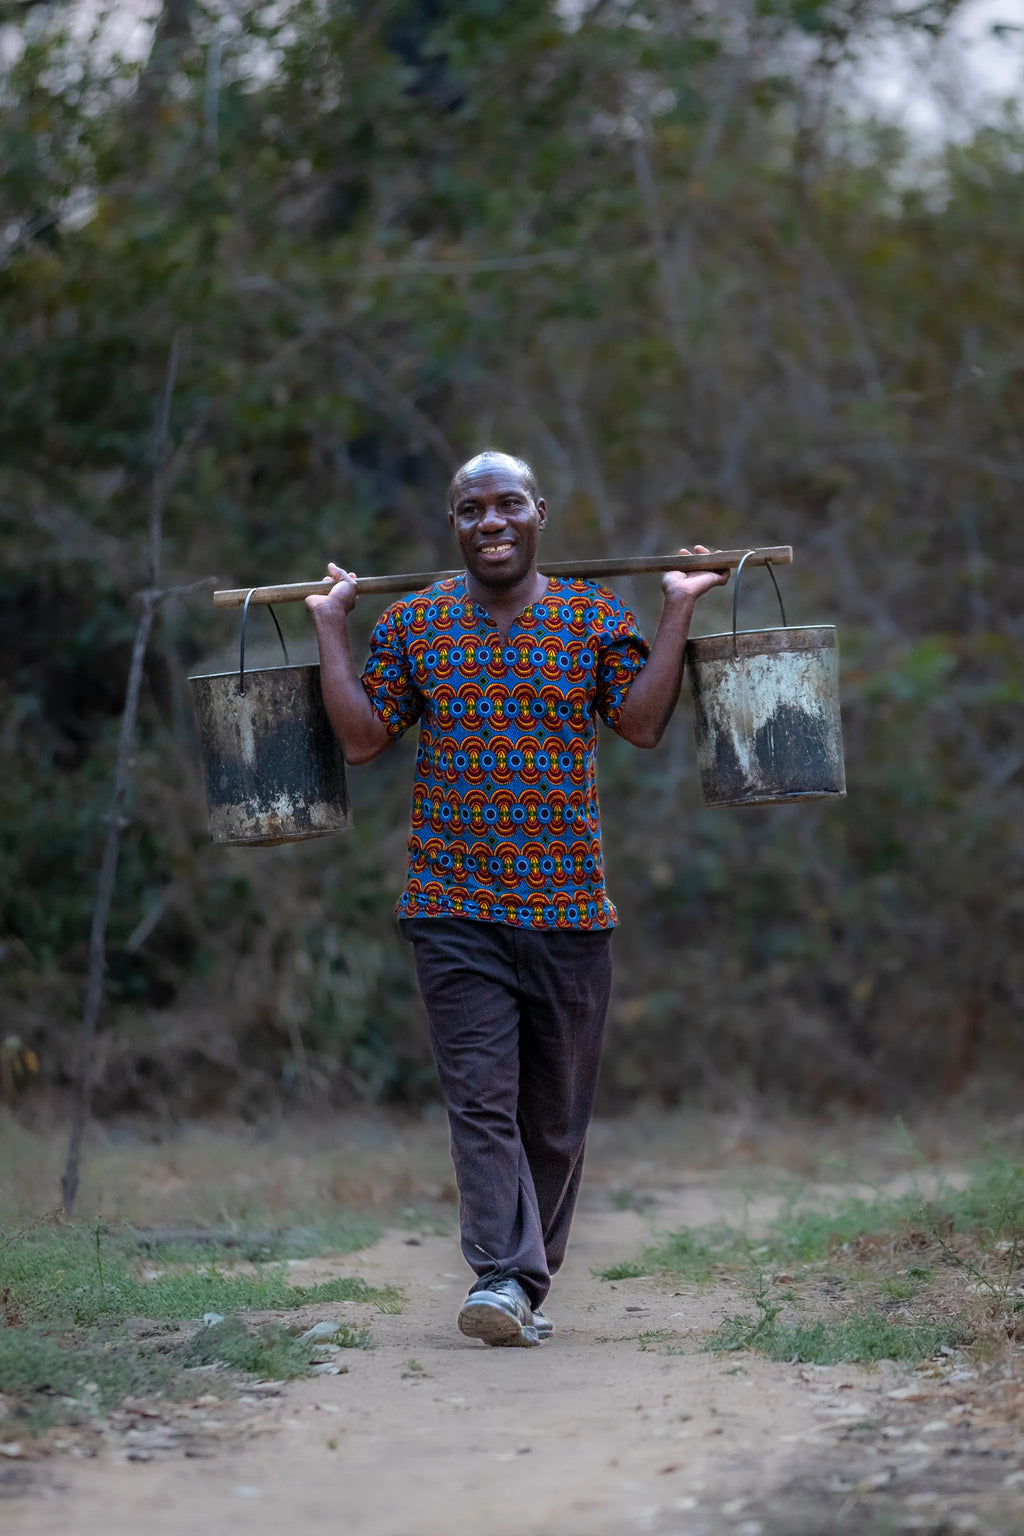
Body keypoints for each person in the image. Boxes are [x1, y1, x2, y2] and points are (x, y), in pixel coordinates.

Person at [306, 451, 728, 1347]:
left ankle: (523, 1282)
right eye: (471, 510)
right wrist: (331, 628)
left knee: (556, 1122)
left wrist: (679, 609)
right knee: (481, 1101)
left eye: (507, 505)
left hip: (568, 909)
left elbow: (641, 724)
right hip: (452, 906)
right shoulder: (416, 624)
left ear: (539, 514)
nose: (490, 522)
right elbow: (363, 739)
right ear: (453, 526)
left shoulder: (590, 617)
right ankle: (503, 1276)